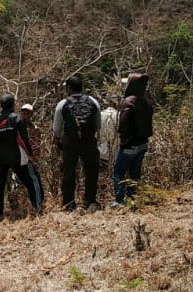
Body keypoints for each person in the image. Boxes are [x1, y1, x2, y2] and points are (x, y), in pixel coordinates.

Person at [52, 75, 103, 212]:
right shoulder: (93, 102)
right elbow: (98, 125)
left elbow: (57, 130)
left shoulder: (62, 104)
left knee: (69, 173)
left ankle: (69, 204)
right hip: (89, 141)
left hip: (70, 142)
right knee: (91, 171)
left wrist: (56, 143)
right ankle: (89, 201)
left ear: (68, 88)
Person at [0, 94, 42, 219]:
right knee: (32, 179)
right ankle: (38, 207)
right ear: (13, 105)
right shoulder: (16, 119)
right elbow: (24, 140)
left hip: (0, 157)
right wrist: (31, 155)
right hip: (17, 156)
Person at [111, 72, 153, 207]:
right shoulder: (146, 101)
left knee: (118, 173)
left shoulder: (128, 101)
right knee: (135, 173)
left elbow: (123, 124)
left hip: (129, 145)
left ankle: (119, 201)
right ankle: (132, 199)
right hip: (143, 144)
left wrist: (124, 140)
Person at [18, 103, 45, 211]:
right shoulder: (17, 126)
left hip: (30, 159)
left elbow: (37, 146)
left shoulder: (35, 129)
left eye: (28, 112)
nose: (25, 114)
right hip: (18, 158)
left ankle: (37, 206)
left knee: (34, 182)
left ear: (31, 114)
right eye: (23, 112)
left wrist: (36, 160)